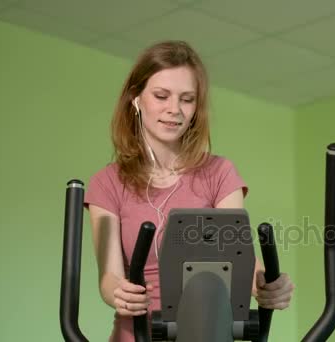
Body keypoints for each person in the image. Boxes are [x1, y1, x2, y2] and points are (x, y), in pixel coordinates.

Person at [84, 40, 294, 341]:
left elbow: (240, 258)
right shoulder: (107, 183)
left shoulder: (219, 173)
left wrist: (267, 285)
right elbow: (109, 276)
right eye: (161, 96)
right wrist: (119, 292)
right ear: (136, 98)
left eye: (187, 99)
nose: (174, 110)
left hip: (206, 330)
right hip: (139, 333)